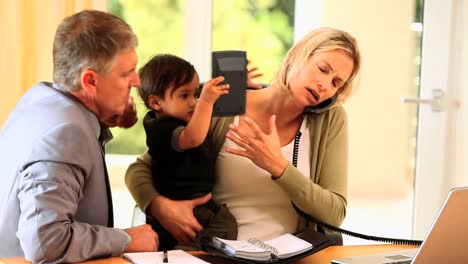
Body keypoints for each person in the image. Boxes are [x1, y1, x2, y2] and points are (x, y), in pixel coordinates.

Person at [125, 27, 361, 244]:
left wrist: (279, 167)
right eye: (323, 69)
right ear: (300, 55)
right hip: (216, 253)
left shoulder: (330, 119)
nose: (325, 85)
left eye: (336, 83)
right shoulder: (223, 103)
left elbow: (334, 213)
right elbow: (139, 170)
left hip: (288, 258)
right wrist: (161, 208)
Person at [0, 10, 159, 262]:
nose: (137, 81)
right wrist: (126, 239)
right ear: (90, 82)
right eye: (126, 73)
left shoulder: (40, 101)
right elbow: (45, 242)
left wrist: (102, 120)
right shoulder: (66, 134)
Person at [137, 54, 238, 250]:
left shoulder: (180, 119)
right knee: (225, 227)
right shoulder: (161, 128)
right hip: (182, 202)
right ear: (156, 103)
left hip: (195, 199)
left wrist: (235, 88)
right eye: (185, 96)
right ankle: (191, 252)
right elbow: (193, 138)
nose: (194, 102)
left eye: (196, 94)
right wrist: (206, 102)